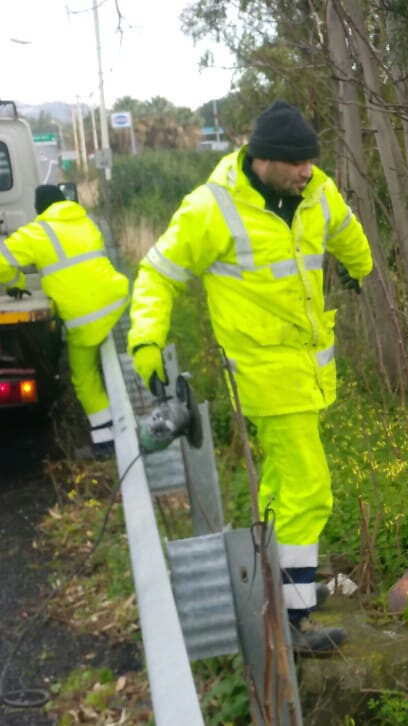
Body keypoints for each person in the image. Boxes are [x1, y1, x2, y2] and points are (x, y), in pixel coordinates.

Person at [127, 100, 373, 655]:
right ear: (262, 160)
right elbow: (156, 274)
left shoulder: (315, 192)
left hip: (309, 371)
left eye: (311, 161)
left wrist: (360, 267)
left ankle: (287, 585)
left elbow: (346, 228)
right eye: (296, 163)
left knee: (286, 488)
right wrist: (144, 341)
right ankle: (295, 619)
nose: (308, 171)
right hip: (263, 375)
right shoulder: (210, 209)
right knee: (309, 487)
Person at [0, 184, 129, 457]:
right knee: (112, 364)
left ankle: (107, 442)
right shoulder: (86, 221)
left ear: (39, 209)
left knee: (85, 378)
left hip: (86, 317)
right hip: (117, 301)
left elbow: (1, 260)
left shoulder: (38, 232)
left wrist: (16, 282)